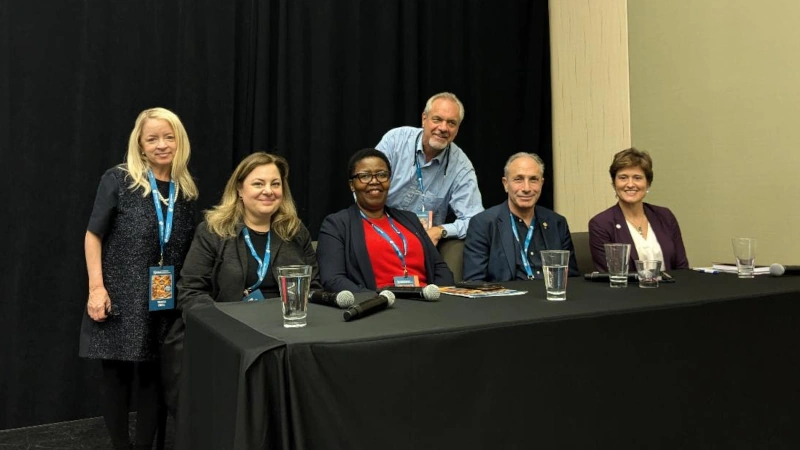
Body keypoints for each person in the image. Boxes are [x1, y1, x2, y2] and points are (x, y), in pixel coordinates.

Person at [162, 152, 321, 414]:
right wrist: (222, 326)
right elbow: (190, 292)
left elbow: (314, 288)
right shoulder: (213, 230)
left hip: (288, 335)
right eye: (258, 184)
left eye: (275, 183)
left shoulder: (295, 231)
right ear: (239, 189)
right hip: (230, 333)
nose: (268, 191)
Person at [80, 107, 198, 450]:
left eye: (168, 136)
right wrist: (97, 288)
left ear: (180, 141)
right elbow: (93, 235)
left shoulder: (186, 189)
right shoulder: (119, 179)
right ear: (140, 145)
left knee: (154, 379)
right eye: (152, 138)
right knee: (116, 378)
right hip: (119, 295)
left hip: (163, 298)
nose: (161, 144)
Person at [317, 148, 454, 293]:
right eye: (365, 176)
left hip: (426, 303)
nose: (374, 181)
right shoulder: (337, 225)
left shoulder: (410, 219)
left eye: (382, 175)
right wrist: (376, 301)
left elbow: (440, 268)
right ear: (352, 185)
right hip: (378, 307)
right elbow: (333, 279)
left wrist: (440, 298)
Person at [375, 92, 483, 245]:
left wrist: (440, 231)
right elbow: (366, 184)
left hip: (421, 243)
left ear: (458, 128)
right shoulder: (396, 140)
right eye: (437, 119)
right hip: (379, 228)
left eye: (451, 123)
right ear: (424, 119)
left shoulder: (461, 166)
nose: (443, 128)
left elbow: (475, 219)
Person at [463, 152, 579, 282]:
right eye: (518, 179)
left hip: (550, 299)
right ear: (505, 184)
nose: (526, 188)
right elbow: (474, 283)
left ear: (542, 183)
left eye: (533, 179)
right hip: (506, 300)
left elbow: (572, 279)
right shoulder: (483, 224)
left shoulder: (557, 223)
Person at [588, 148, 688, 272]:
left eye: (637, 178)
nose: (630, 184)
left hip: (670, 290)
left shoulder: (665, 216)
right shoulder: (601, 224)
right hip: (627, 291)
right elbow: (608, 276)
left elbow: (682, 269)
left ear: (648, 184)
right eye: (623, 178)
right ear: (614, 184)